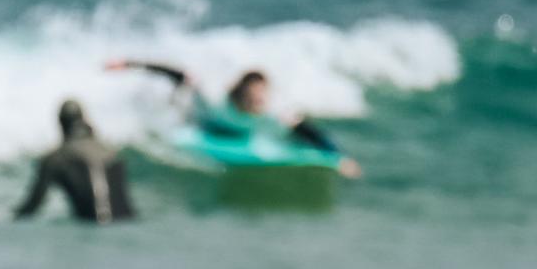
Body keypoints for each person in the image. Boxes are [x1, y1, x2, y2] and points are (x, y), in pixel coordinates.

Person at [108, 57, 359, 174]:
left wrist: (340, 158)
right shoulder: (213, 96)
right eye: (252, 99)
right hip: (205, 124)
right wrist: (129, 64)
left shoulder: (271, 112)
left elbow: (309, 131)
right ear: (239, 93)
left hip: (239, 135)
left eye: (261, 99)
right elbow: (176, 73)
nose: (257, 104)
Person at [13, 98, 136, 223]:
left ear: (61, 124)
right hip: (129, 222)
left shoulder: (56, 159)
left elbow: (32, 207)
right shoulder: (111, 152)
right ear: (83, 119)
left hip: (92, 227)